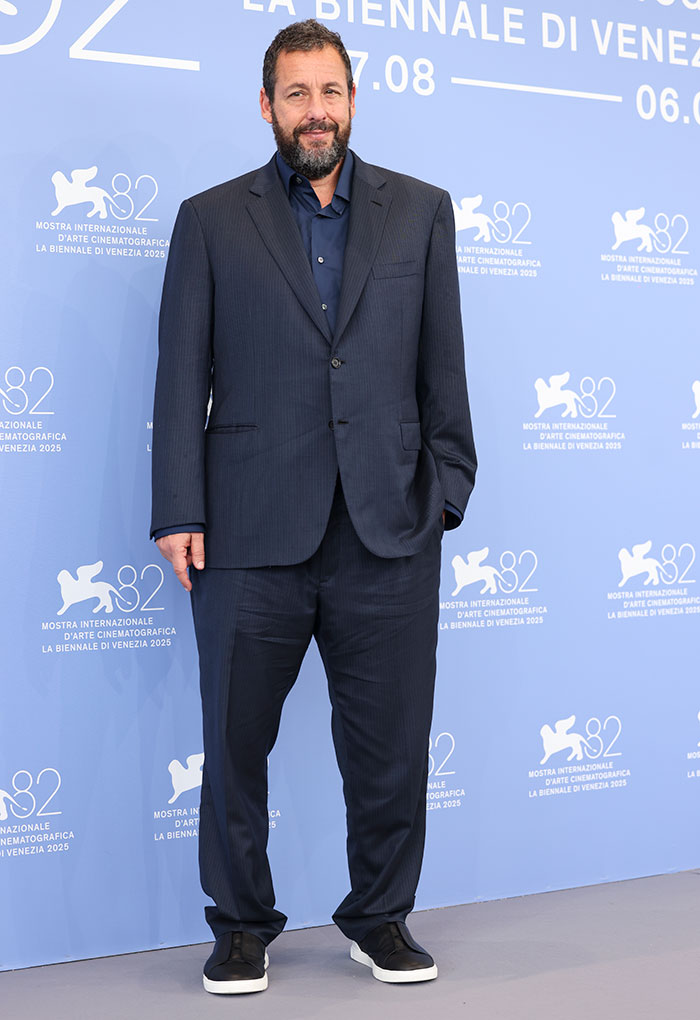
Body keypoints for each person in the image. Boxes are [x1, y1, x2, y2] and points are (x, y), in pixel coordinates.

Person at [151, 19, 476, 994]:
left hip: (388, 529)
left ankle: (379, 917)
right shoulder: (212, 219)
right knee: (235, 744)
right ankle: (241, 925)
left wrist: (445, 492)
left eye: (328, 91)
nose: (314, 110)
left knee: (389, 748)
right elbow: (181, 379)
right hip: (249, 532)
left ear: (351, 99)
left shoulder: (418, 211)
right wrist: (179, 510)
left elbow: (441, 370)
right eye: (295, 94)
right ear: (267, 106)